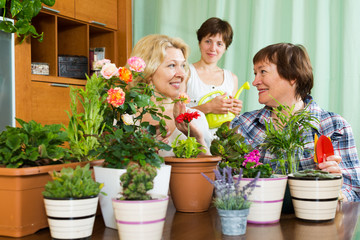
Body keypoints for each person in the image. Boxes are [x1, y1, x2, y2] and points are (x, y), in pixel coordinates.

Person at [231, 43, 360, 201]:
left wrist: (336, 187)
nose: (255, 81)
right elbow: (224, 184)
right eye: (255, 73)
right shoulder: (242, 125)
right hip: (258, 219)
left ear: (293, 76)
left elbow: (354, 192)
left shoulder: (335, 126)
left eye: (262, 72)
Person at [128, 34, 212, 156]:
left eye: (183, 65)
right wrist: (145, 152)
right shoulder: (127, 118)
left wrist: (198, 139)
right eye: (172, 65)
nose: (181, 74)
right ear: (149, 71)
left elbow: (211, 173)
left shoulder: (197, 119)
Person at [185, 17, 243, 136]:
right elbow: (177, 117)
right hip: (188, 143)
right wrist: (208, 107)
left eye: (219, 44)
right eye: (208, 41)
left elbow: (230, 122)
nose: (213, 48)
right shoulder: (186, 73)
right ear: (199, 42)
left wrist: (235, 112)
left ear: (225, 48)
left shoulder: (232, 79)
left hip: (220, 147)